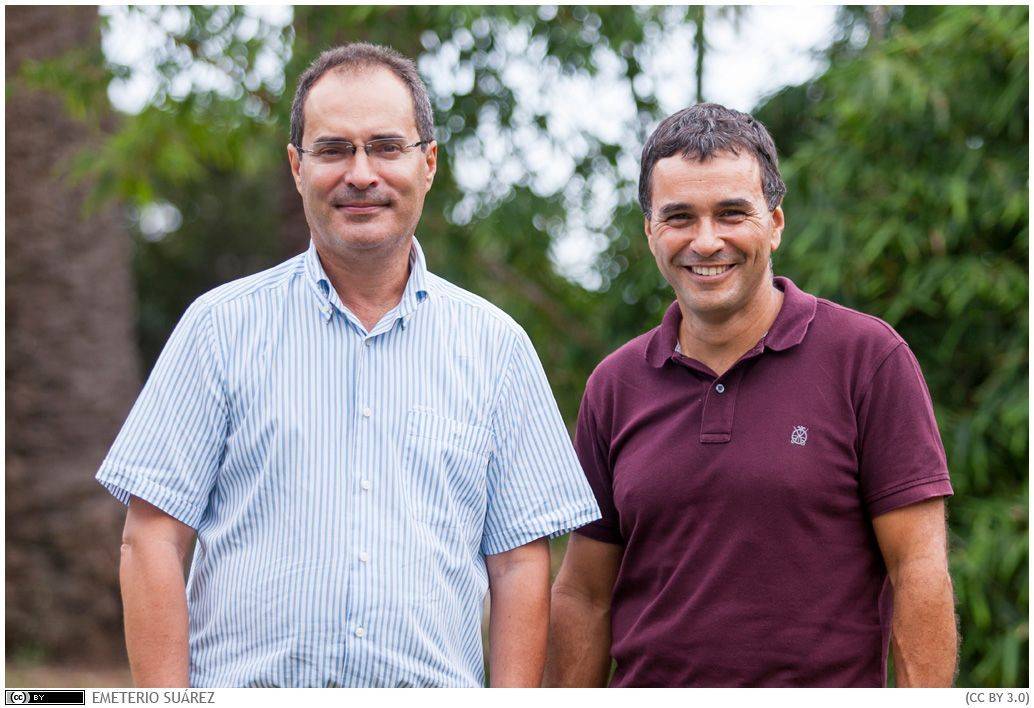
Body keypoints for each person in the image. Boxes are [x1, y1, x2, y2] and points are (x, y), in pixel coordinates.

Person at [97, 42, 599, 688]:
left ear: (428, 163)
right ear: (297, 167)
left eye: (386, 147)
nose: (361, 174)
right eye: (333, 150)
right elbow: (151, 540)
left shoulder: (498, 350)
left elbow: (519, 565)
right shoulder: (218, 331)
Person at [543, 103, 957, 688]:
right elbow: (585, 594)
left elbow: (918, 569)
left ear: (775, 222)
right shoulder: (615, 385)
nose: (706, 241)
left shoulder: (868, 360)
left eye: (732, 213)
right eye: (679, 217)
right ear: (650, 232)